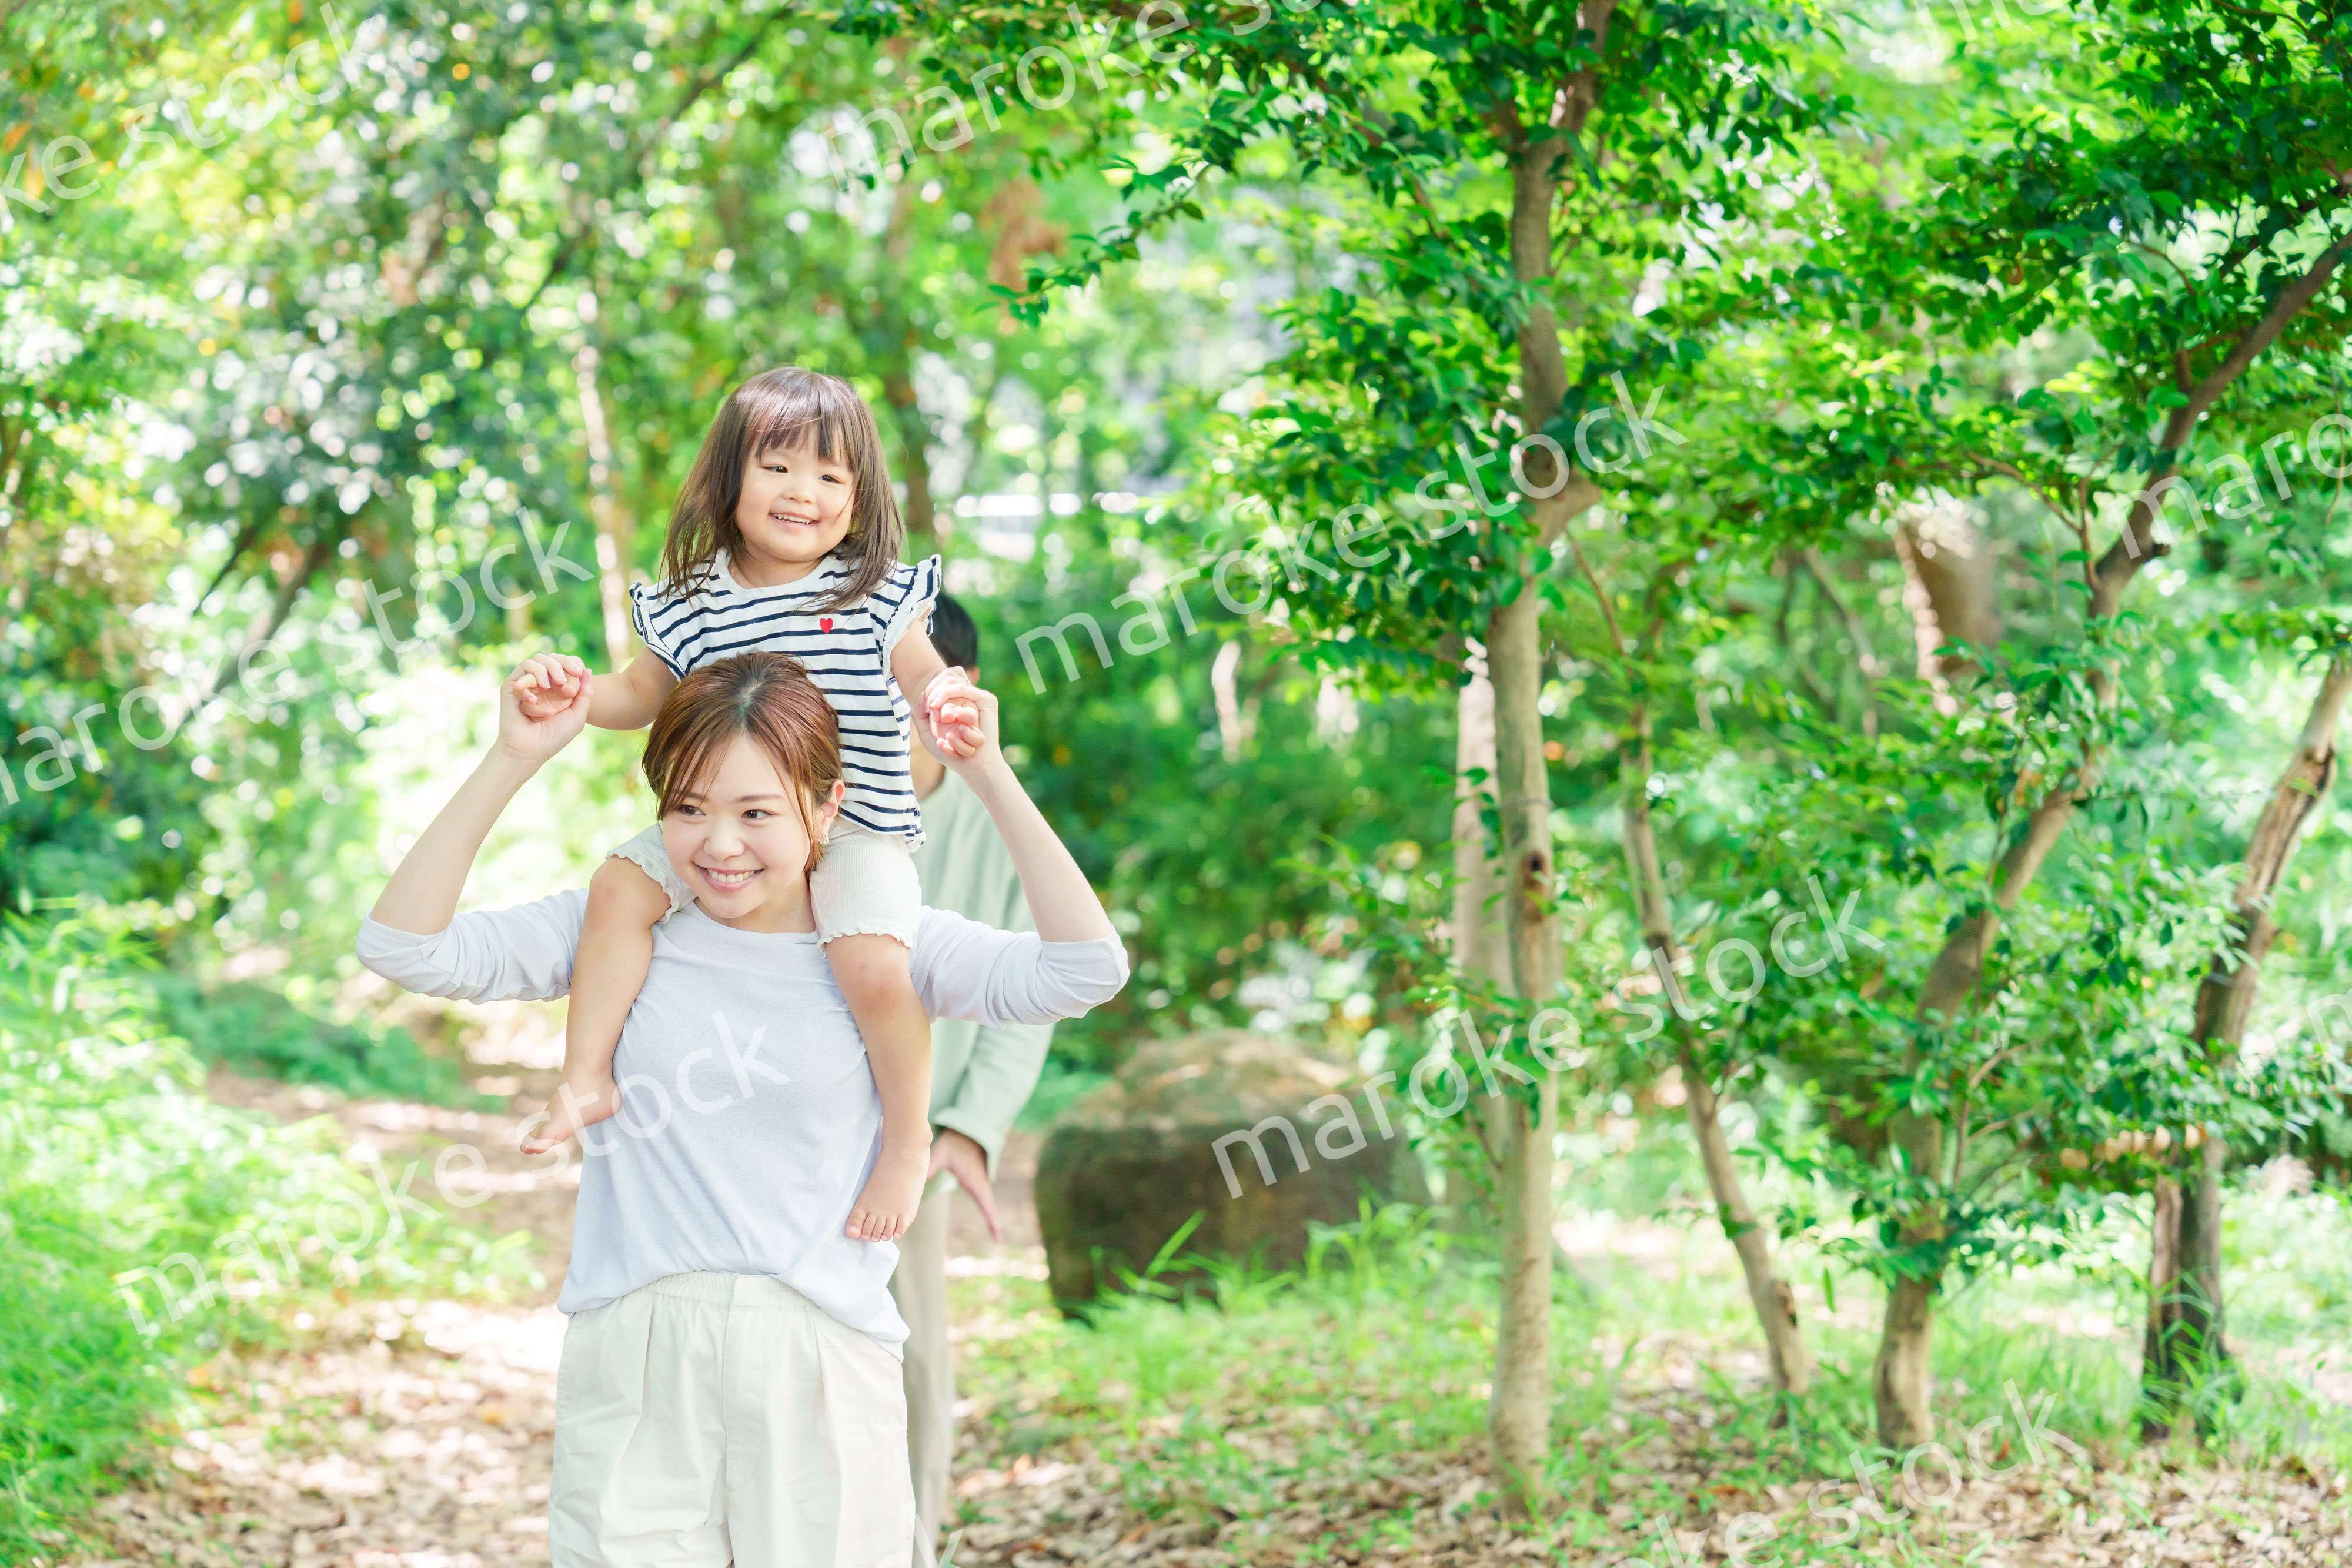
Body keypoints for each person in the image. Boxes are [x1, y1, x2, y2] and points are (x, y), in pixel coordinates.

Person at [356, 650, 1126, 1567]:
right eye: (687, 809)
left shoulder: (886, 943)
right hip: (636, 1353)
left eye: (757, 812)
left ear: (827, 805)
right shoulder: (620, 931)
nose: (719, 845)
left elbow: (1086, 970)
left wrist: (984, 772)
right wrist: (513, 757)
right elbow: (403, 946)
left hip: (822, 1365)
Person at [509, 366, 983, 1248]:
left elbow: (924, 676)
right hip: (716, 827)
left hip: (854, 831)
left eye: (831, 477)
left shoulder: (874, 592)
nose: (803, 492)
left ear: (858, 498)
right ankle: (585, 1076)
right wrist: (574, 694)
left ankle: (907, 1138)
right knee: (616, 888)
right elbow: (640, 694)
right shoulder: (693, 601)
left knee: (877, 968)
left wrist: (946, 700)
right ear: (730, 479)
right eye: (777, 467)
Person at [890, 593, 1057, 1540]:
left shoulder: (999, 822)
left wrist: (967, 1131)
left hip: (918, 1147)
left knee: (914, 1354)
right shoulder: (808, 794)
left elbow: (1035, 987)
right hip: (794, 1130)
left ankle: (912, 1548)